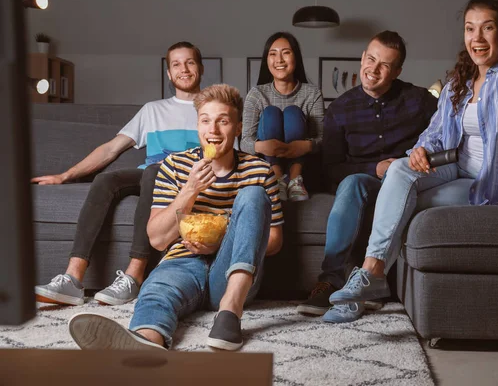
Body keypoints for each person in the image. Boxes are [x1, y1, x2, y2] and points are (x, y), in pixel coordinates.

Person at [327, 0, 498, 321]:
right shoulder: (462, 79)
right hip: (455, 166)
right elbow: (436, 129)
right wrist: (420, 150)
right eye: (470, 29)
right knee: (399, 171)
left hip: (488, 183)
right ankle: (373, 273)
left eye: (487, 28)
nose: (477, 38)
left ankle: (369, 280)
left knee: (400, 199)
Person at [67, 84, 283, 351]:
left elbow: (274, 240)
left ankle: (229, 312)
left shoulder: (258, 169)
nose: (213, 130)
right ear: (198, 125)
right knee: (156, 293)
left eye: (223, 121)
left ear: (237, 128)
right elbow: (157, 240)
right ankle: (144, 344)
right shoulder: (176, 166)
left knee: (253, 195)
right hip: (183, 263)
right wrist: (189, 190)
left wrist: (221, 237)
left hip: (233, 274)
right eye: (205, 121)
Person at [33, 41, 204, 306]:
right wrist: (65, 175)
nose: (184, 69)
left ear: (200, 68)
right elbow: (111, 149)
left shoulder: (212, 109)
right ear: (169, 73)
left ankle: (134, 276)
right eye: (176, 64)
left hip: (185, 179)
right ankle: (72, 278)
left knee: (153, 172)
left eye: (190, 62)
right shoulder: (153, 110)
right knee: (106, 180)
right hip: (152, 175)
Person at [296, 31, 438, 322]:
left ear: (397, 71)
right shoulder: (340, 108)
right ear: (362, 58)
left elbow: (444, 135)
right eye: (370, 59)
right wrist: (375, 169)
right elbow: (331, 169)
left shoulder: (420, 100)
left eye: (384, 65)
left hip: (412, 180)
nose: (373, 69)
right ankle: (330, 280)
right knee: (350, 182)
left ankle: (370, 283)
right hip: (368, 182)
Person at [241, 32, 324, 201]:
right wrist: (263, 147)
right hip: (268, 164)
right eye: (273, 54)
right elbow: (244, 142)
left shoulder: (312, 93)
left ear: (296, 57)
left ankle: (294, 180)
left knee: (292, 112)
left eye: (286, 52)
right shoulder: (256, 94)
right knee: (271, 113)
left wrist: (306, 146)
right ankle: (277, 179)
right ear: (267, 60)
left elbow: (323, 139)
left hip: (304, 166)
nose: (279, 60)